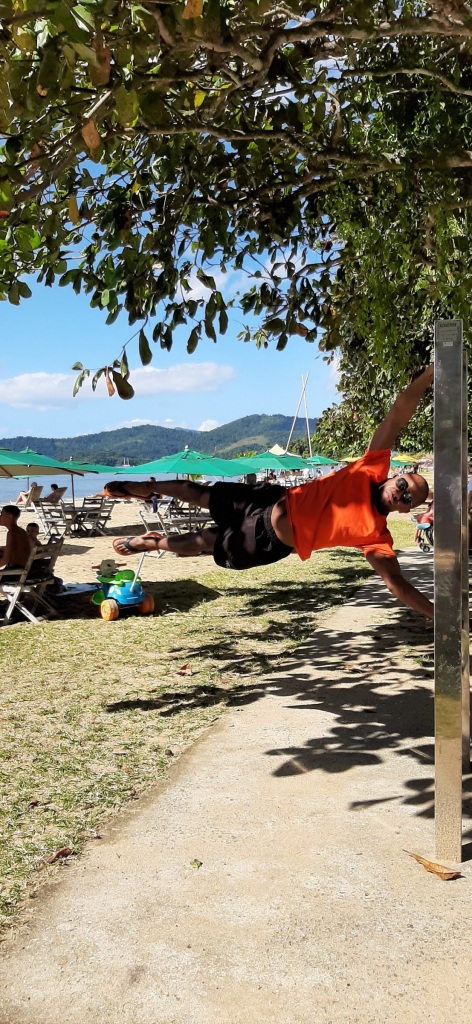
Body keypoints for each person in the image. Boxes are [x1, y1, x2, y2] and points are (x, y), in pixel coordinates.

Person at [106, 365, 435, 620]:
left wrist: (439, 616)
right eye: (403, 484)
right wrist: (429, 375)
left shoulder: (376, 537)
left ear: (407, 510)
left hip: (269, 540)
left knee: (204, 541)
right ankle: (145, 487)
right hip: (269, 499)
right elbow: (396, 417)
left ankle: (152, 543)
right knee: (199, 492)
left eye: (409, 498)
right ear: (396, 476)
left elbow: (398, 585)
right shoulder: (370, 467)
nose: (401, 493)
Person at [0, 505, 32, 572]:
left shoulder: (11, 533)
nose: (0, 516)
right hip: (23, 567)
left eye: (2, 514)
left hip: (16, 571)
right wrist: (5, 548)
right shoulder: (22, 531)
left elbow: (6, 560)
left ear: (9, 517)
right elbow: (19, 549)